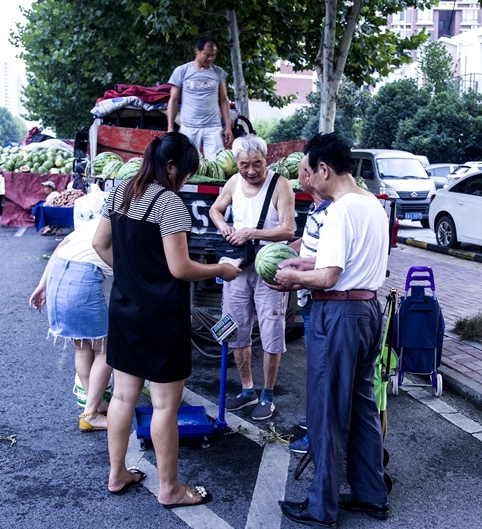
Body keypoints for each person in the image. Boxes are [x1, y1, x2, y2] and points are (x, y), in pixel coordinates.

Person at [91, 132, 240, 507]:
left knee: (123, 396)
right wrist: (219, 269)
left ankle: (117, 473)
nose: (186, 180)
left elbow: (100, 244)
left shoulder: (120, 191)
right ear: (170, 167)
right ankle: (170, 488)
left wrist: (131, 277)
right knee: (163, 406)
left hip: (124, 308)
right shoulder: (169, 202)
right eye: (185, 173)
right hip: (160, 316)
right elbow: (180, 267)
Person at [269, 132, 390, 527]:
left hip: (338, 316)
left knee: (326, 410)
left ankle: (321, 506)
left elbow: (330, 276)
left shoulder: (339, 210)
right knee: (361, 405)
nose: (308, 179)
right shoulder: (372, 204)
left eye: (310, 171)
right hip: (368, 311)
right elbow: (340, 262)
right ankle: (372, 494)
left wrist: (292, 280)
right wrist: (304, 264)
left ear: (324, 169)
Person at [208, 134, 295, 421]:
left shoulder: (280, 185)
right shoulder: (233, 182)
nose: (251, 171)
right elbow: (215, 209)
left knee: (271, 329)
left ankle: (267, 394)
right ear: (236, 163)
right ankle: (247, 390)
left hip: (268, 270)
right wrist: (224, 226)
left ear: (266, 159)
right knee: (235, 327)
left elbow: (287, 231)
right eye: (244, 165)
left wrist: (251, 233)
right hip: (237, 266)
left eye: (257, 164)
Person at [30, 218, 114, 431]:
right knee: (107, 349)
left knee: (83, 347)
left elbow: (61, 247)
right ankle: (91, 414)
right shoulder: (131, 220)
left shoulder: (100, 219)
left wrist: (42, 285)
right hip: (81, 279)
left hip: (58, 275)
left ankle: (93, 405)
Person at [286, 153, 331, 455]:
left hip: (320, 301)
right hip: (310, 299)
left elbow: (329, 263)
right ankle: (316, 423)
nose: (303, 177)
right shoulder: (317, 209)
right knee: (316, 370)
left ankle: (318, 438)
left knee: (321, 372)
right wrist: (281, 252)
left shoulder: (333, 213)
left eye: (305, 172)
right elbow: (307, 243)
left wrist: (296, 271)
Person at [166, 36, 233, 159]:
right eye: (207, 55)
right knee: (187, 163)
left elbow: (224, 100)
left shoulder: (219, 72)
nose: (210, 58)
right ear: (197, 50)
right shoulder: (182, 71)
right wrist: (170, 127)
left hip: (213, 127)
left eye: (213, 55)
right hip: (189, 127)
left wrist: (228, 127)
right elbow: (173, 100)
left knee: (216, 164)